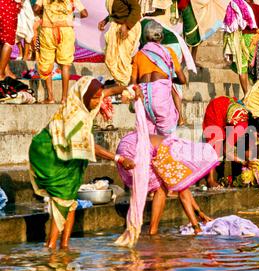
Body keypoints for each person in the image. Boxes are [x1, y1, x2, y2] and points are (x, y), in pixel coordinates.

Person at [29, 76, 136, 249]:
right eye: (94, 98)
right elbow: (90, 146)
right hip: (48, 153)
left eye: (98, 97)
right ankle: (51, 246)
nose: (97, 101)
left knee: (70, 199)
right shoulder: (76, 117)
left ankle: (64, 246)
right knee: (62, 199)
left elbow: (109, 91)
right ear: (84, 96)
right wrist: (119, 159)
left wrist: (130, 88)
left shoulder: (86, 101)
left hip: (66, 153)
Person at [115, 86, 219, 247]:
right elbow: (183, 195)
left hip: (126, 145)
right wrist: (196, 227)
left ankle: (147, 230)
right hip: (136, 150)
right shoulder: (174, 153)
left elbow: (183, 188)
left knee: (163, 184)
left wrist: (200, 213)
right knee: (161, 188)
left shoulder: (176, 146)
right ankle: (153, 231)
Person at [130, 19, 187, 135]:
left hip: (143, 99)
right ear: (161, 37)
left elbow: (133, 83)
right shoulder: (169, 52)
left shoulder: (138, 55)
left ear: (146, 37)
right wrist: (169, 80)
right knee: (167, 137)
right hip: (161, 98)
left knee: (147, 137)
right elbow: (183, 80)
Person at [202, 96, 259, 187]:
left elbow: (249, 151)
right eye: (258, 136)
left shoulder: (251, 127)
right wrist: (244, 162)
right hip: (217, 108)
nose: (258, 139)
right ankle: (210, 180)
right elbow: (226, 151)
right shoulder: (241, 128)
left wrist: (255, 170)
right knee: (216, 145)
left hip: (228, 108)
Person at [33, 0, 88, 104]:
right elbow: (85, 13)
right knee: (65, 65)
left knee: (47, 63)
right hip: (66, 30)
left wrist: (43, 13)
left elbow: (36, 8)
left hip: (47, 31)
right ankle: (64, 98)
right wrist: (72, 16)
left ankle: (50, 97)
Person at [98, 0, 142, 86]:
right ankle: (124, 85)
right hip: (118, 27)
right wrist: (105, 20)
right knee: (111, 60)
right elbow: (118, 11)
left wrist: (126, 25)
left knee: (123, 60)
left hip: (128, 28)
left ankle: (129, 88)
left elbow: (136, 9)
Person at [0, 0, 22, 80]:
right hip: (7, 6)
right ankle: (0, 73)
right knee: (8, 41)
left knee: (2, 38)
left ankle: (7, 70)